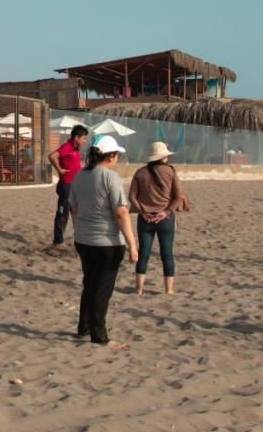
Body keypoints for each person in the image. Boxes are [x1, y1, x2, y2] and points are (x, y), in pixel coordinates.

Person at [69, 135, 138, 348]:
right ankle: (99, 335)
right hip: (107, 243)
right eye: (116, 155)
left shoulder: (79, 176)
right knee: (101, 290)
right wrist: (132, 246)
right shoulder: (110, 177)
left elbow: (74, 208)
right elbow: (121, 213)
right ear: (111, 156)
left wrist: (79, 230)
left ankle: (84, 327)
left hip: (84, 240)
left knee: (89, 284)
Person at [128, 141, 190, 297]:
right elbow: (178, 197)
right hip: (165, 219)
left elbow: (132, 197)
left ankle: (138, 289)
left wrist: (142, 212)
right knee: (167, 254)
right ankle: (169, 290)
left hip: (145, 219)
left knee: (143, 254)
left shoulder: (140, 172)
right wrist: (166, 212)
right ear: (163, 157)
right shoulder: (171, 172)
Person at [49, 125, 89, 247]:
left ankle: (80, 238)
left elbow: (75, 167)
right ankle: (58, 240)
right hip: (66, 186)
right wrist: (59, 170)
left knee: (76, 212)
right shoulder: (67, 147)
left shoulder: (76, 150)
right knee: (63, 213)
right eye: (83, 138)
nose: (85, 140)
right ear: (76, 137)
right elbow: (52, 156)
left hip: (75, 186)